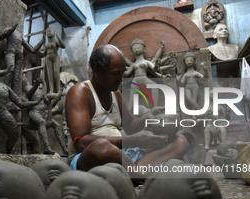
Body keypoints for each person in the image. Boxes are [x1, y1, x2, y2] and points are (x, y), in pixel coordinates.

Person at [65, 44, 189, 180]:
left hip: (123, 155)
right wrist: (132, 141)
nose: (120, 79)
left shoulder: (116, 94)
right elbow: (81, 142)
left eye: (122, 73)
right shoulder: (80, 92)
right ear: (97, 71)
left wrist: (147, 117)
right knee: (101, 147)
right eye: (115, 73)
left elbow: (130, 126)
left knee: (181, 141)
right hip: (91, 157)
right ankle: (138, 174)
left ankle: (135, 173)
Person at [123, 39, 174, 107]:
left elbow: (154, 69)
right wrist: (121, 70)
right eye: (134, 48)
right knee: (132, 96)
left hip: (144, 78)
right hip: (135, 80)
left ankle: (155, 107)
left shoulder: (146, 62)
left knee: (154, 86)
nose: (136, 49)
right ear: (132, 51)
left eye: (138, 48)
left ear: (144, 49)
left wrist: (156, 65)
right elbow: (127, 74)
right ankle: (129, 111)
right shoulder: (133, 65)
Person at [39, 27, 65, 96]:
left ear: (53, 32)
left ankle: (59, 90)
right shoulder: (46, 44)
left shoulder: (55, 42)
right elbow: (43, 53)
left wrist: (59, 38)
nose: (48, 32)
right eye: (47, 32)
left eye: (49, 31)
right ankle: (51, 90)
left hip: (55, 57)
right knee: (49, 74)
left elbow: (63, 46)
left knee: (56, 72)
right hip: (48, 58)